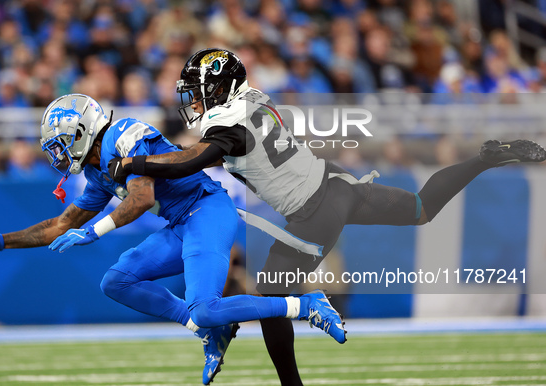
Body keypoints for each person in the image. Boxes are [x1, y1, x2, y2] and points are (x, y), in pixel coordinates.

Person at [107, 48, 546, 386]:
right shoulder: (252, 101)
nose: (194, 101)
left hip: (314, 209)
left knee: (272, 294)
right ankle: (486, 159)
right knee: (421, 208)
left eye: (198, 90)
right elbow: (206, 148)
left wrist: (136, 165)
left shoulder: (225, 125)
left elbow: (191, 162)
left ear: (218, 89)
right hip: (337, 183)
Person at [0, 93, 347, 386]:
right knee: (116, 281)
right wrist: (0, 241)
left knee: (205, 304)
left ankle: (306, 304)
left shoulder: (122, 135)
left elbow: (143, 197)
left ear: (82, 133)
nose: (58, 154)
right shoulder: (100, 172)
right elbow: (59, 224)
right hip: (181, 224)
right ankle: (208, 330)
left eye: (62, 142)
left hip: (206, 211)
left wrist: (95, 230)